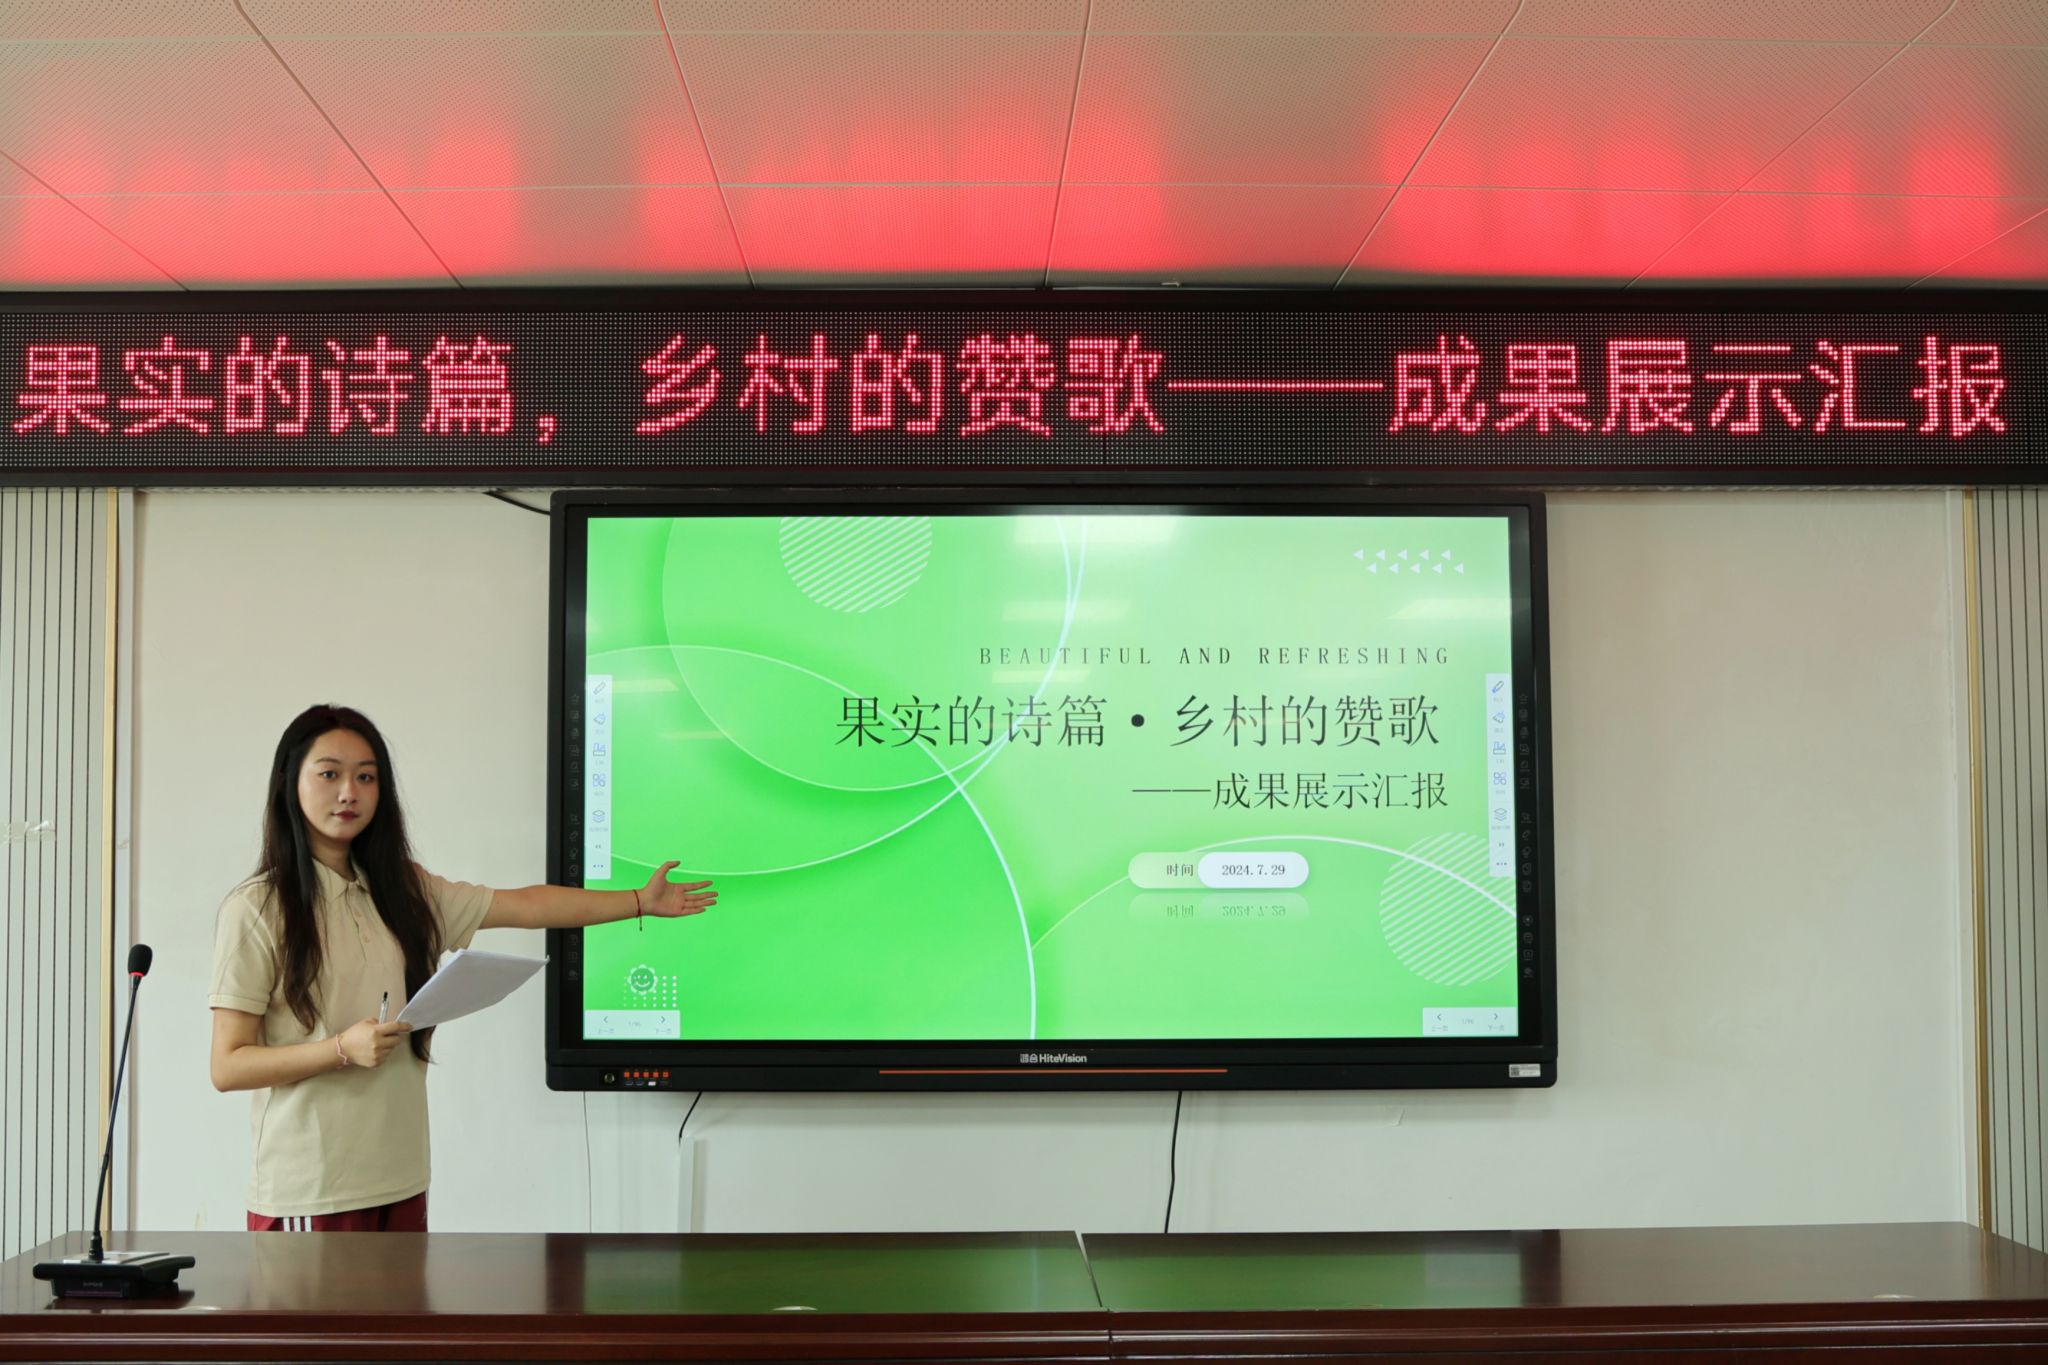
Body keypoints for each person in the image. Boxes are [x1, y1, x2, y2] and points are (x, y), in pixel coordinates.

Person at [207, 703, 714, 1232]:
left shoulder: (403, 890)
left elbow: (525, 905)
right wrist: (339, 1049)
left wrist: (639, 901)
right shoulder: (257, 909)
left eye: (366, 777)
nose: (349, 792)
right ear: (289, 782)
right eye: (329, 774)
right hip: (310, 1191)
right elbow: (228, 1065)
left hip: (401, 1178)